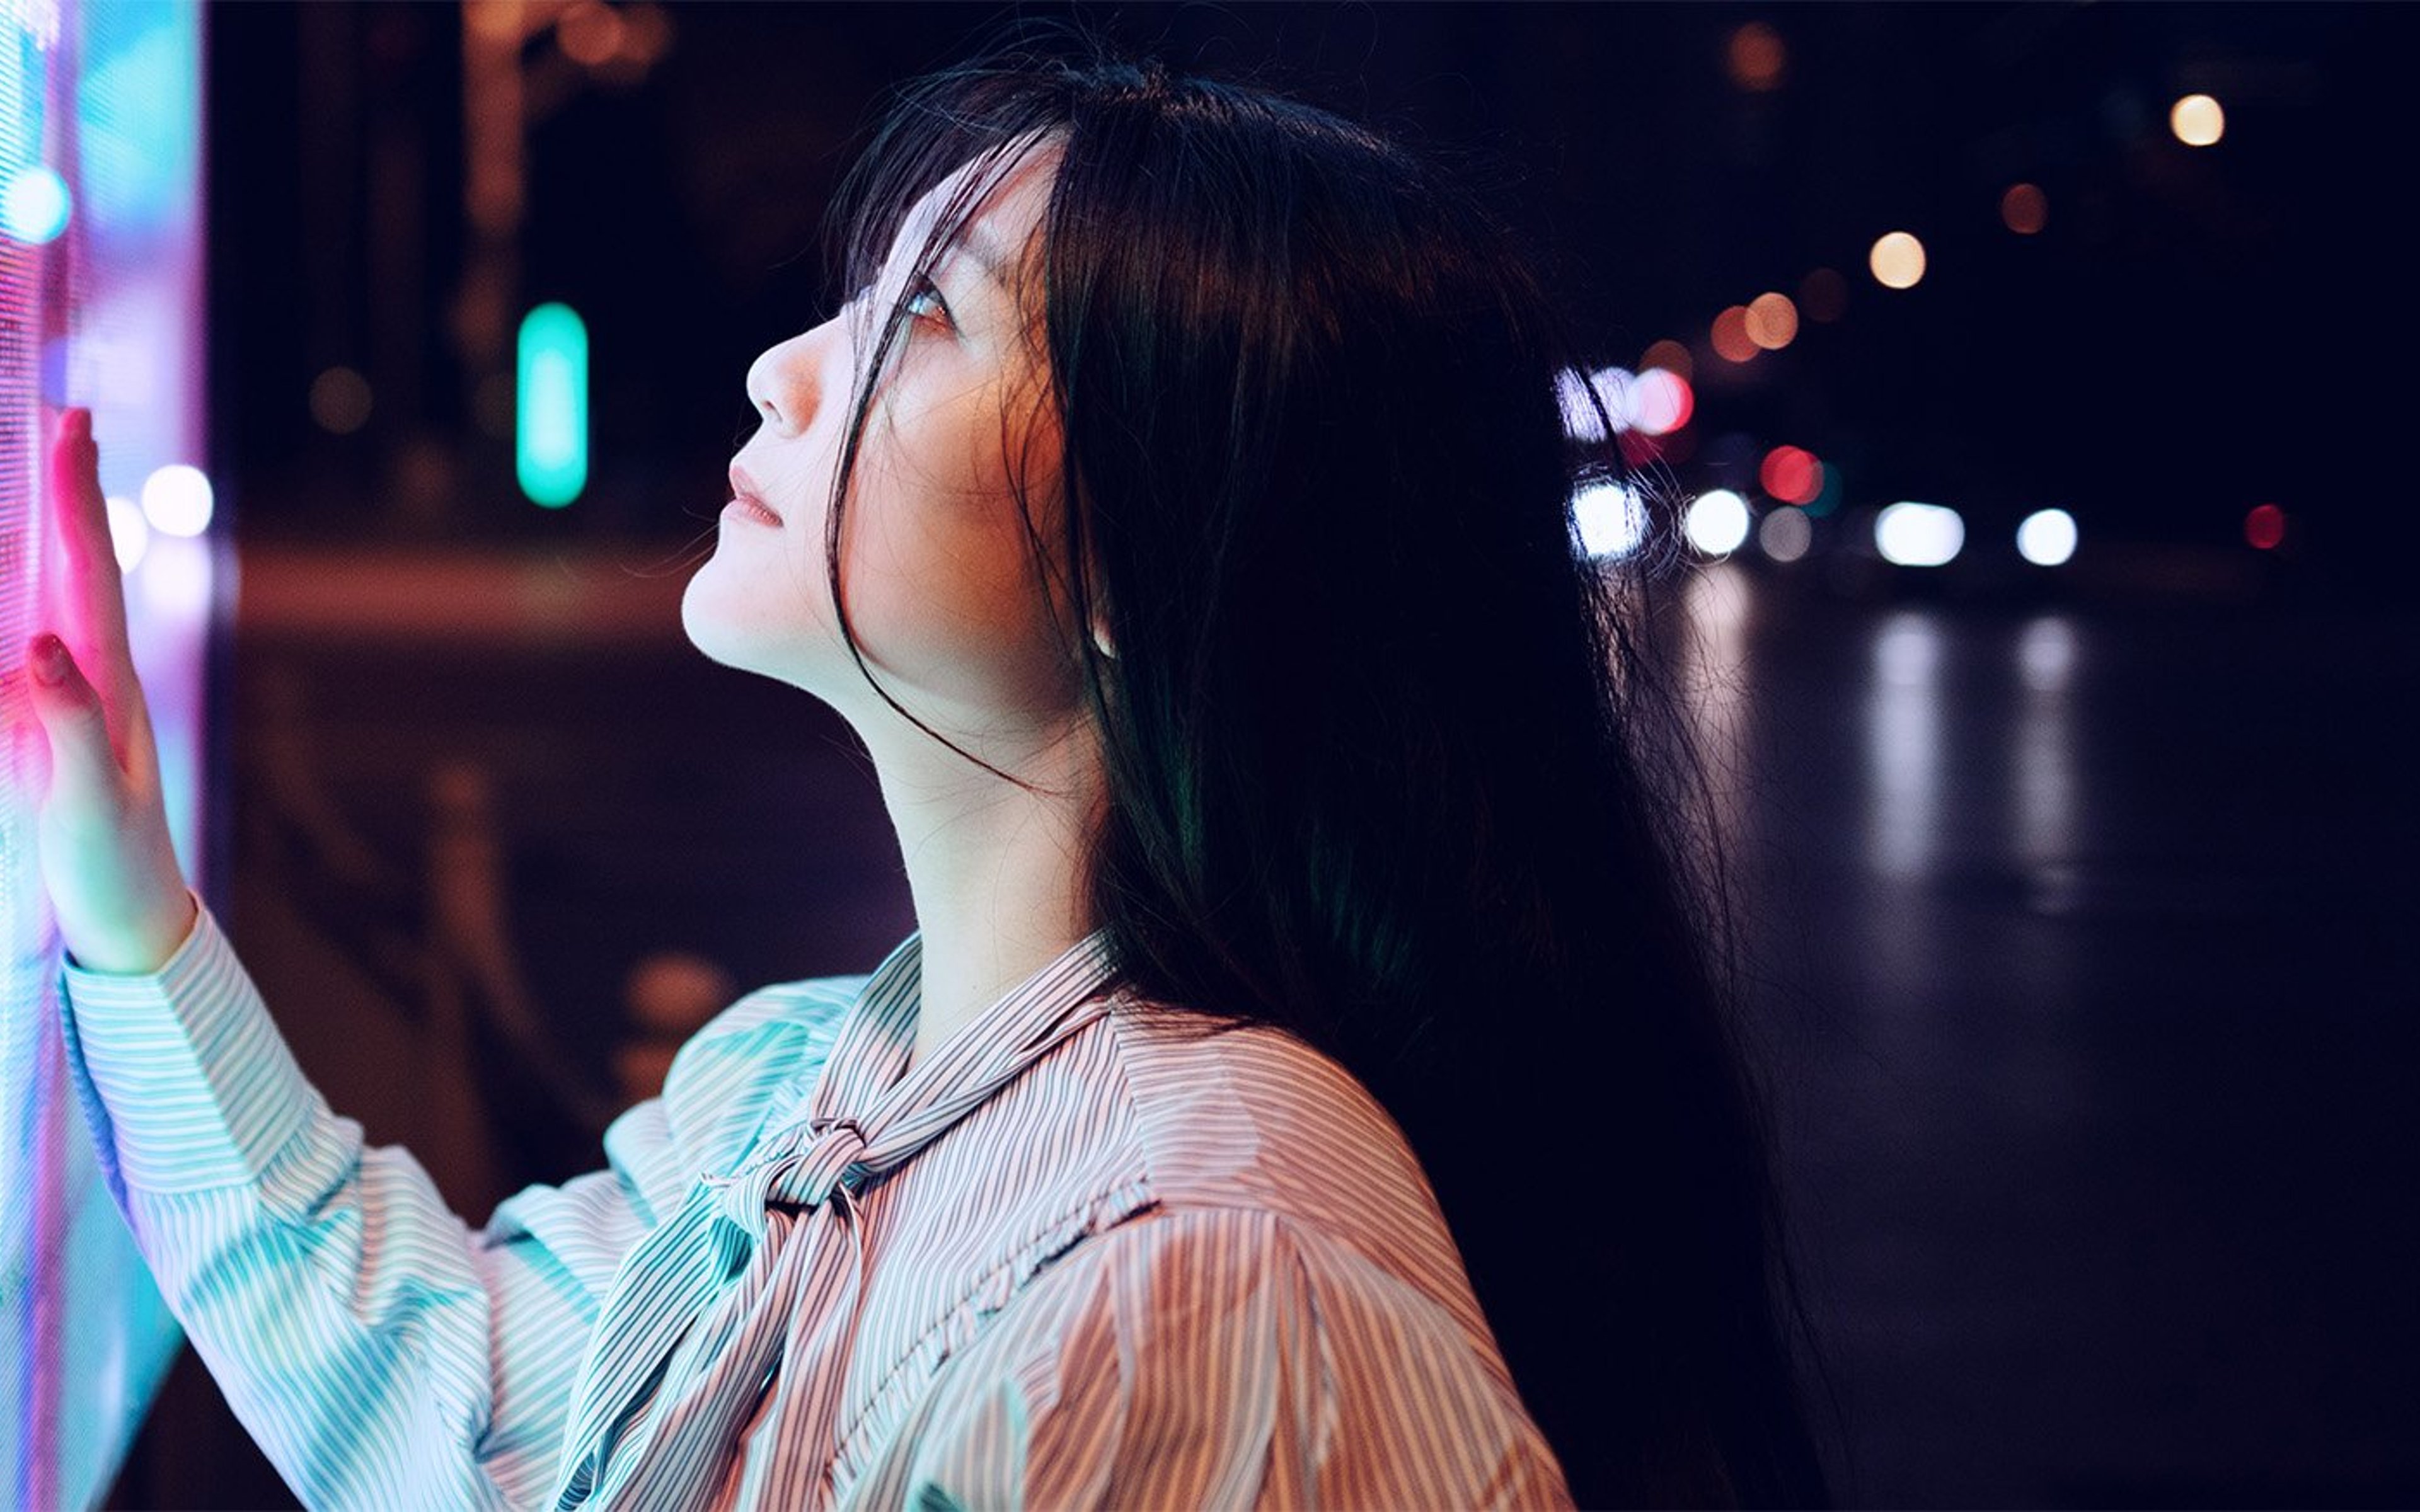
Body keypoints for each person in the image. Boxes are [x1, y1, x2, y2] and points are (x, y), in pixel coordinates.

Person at [14, 27, 1831, 1511]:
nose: (787, 371)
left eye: (923, 320)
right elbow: (459, 1401)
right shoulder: (810, 1087)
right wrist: (130, 904)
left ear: (1156, 547)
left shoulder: (1196, 1278)